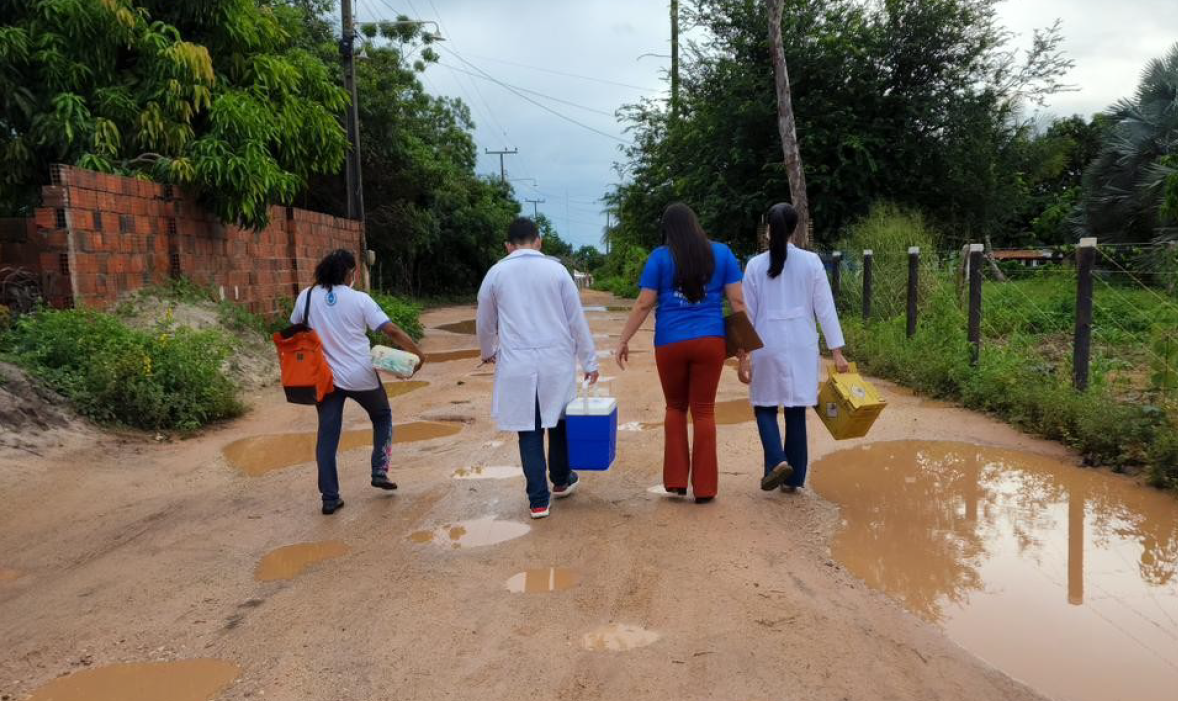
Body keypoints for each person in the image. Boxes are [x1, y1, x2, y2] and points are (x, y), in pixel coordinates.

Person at [614, 203, 746, 503]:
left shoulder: (660, 258)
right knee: (704, 410)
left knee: (675, 407)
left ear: (667, 230)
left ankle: (675, 482)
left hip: (670, 341)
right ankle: (705, 488)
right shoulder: (722, 253)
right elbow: (738, 303)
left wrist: (623, 340)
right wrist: (743, 350)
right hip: (711, 340)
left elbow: (644, 304)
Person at [476, 217, 599, 520]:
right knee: (558, 423)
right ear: (539, 240)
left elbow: (484, 320)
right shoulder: (557, 271)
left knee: (529, 430)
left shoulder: (496, 273)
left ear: (508, 245)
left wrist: (488, 351)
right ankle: (560, 480)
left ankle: (538, 501)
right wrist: (590, 361)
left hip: (517, 363)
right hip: (555, 362)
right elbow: (576, 321)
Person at [290, 249, 425, 515]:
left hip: (324, 378)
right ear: (350, 273)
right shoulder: (359, 299)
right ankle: (379, 470)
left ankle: (330, 498)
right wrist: (418, 354)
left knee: (327, 436)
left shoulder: (305, 297)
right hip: (360, 374)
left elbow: (295, 329)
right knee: (382, 416)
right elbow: (391, 329)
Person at [739, 203, 849, 493]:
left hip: (766, 343)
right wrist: (836, 350)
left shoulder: (754, 265)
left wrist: (743, 355)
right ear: (794, 229)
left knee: (764, 405)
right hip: (802, 343)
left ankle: (776, 461)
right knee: (796, 408)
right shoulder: (811, 262)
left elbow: (747, 314)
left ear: (768, 230)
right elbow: (825, 308)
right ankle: (794, 478)